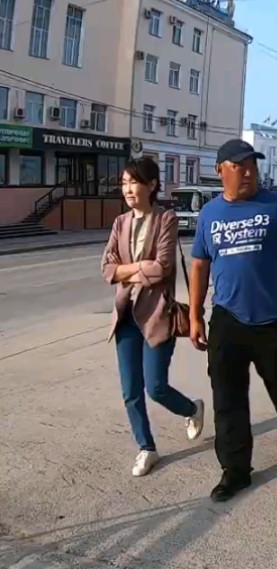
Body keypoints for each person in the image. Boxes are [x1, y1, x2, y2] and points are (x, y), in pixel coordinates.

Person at [188, 139, 277, 503]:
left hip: (271, 319)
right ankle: (235, 470)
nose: (248, 172)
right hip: (226, 319)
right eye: (239, 165)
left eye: (252, 165)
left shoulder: (275, 206)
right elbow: (199, 265)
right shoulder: (210, 215)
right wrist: (194, 314)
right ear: (221, 171)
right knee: (227, 398)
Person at [102, 158, 205, 477]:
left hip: (157, 314)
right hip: (125, 316)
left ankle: (192, 408)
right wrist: (136, 270)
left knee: (156, 387)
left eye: (134, 182)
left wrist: (126, 271)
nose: (128, 189)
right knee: (130, 390)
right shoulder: (120, 223)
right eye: (123, 183)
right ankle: (146, 448)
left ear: (151, 185)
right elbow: (106, 269)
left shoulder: (166, 219)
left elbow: (162, 267)